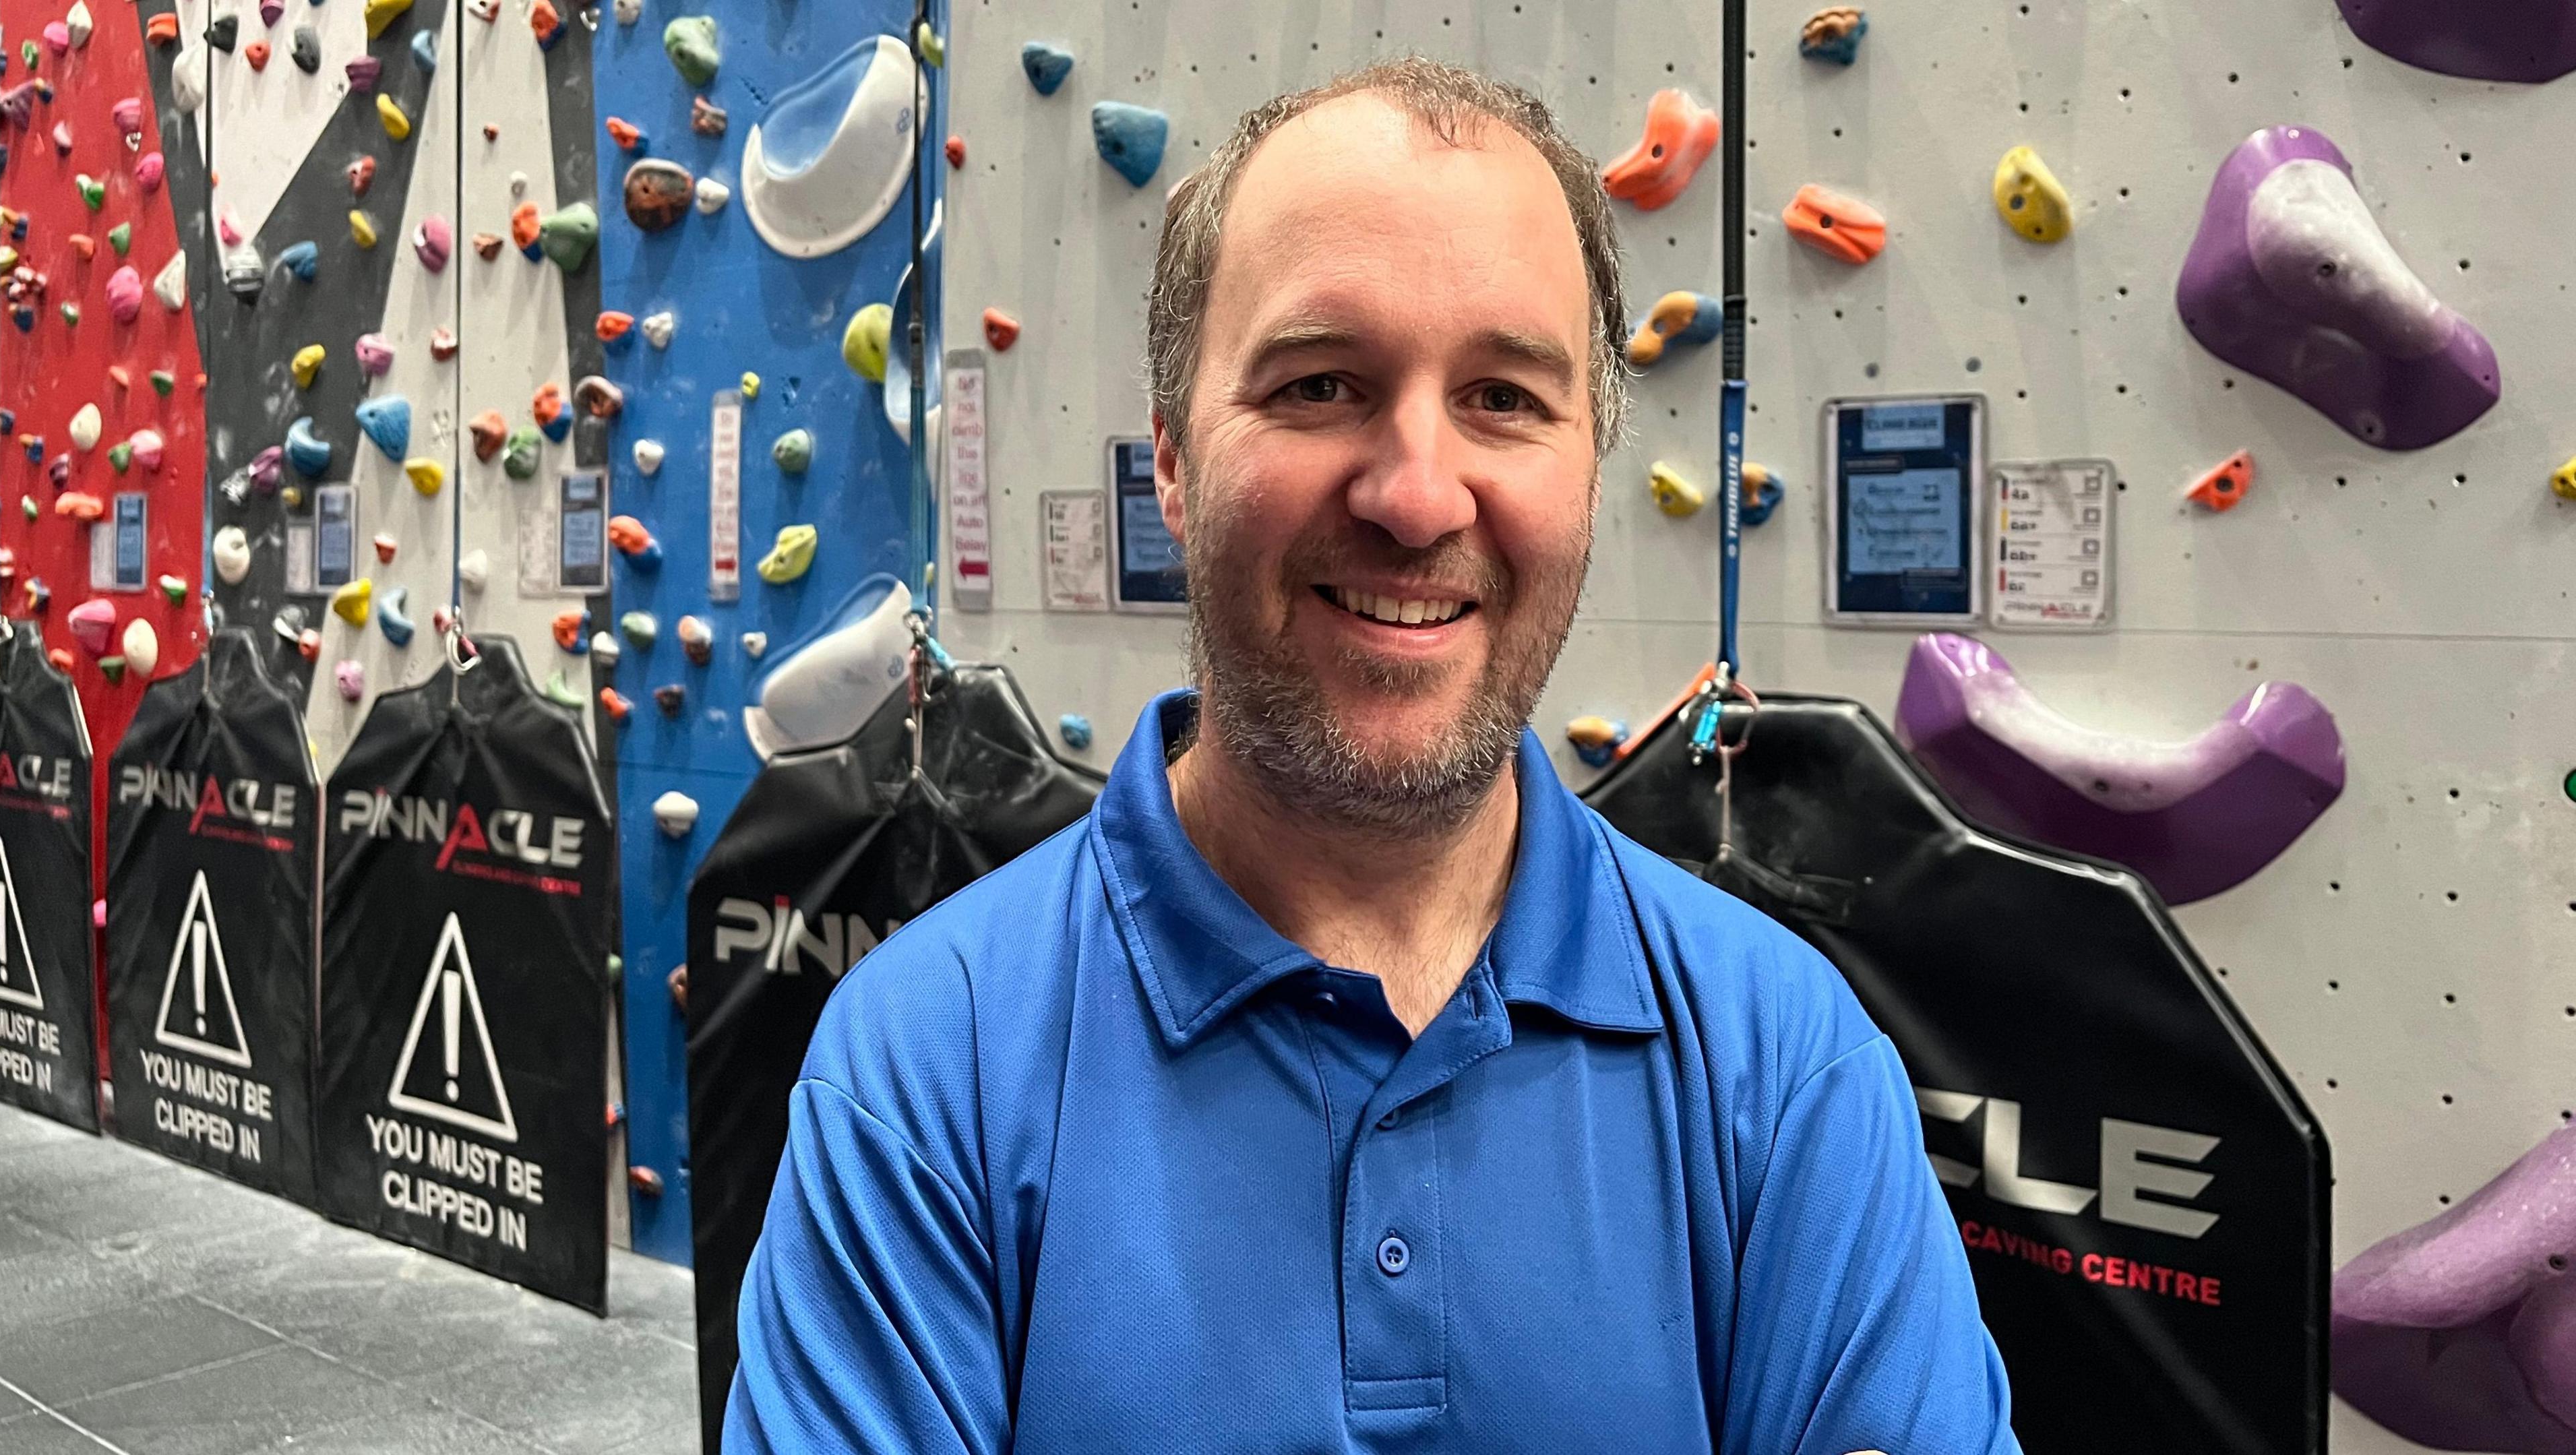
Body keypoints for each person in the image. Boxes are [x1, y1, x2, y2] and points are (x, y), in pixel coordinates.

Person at [727, 58, 2020, 1454]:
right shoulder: (931, 1070)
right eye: (1322, 383)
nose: (1415, 495)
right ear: (1169, 459)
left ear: (1590, 471)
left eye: (1506, 400)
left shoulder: (1786, 1064)